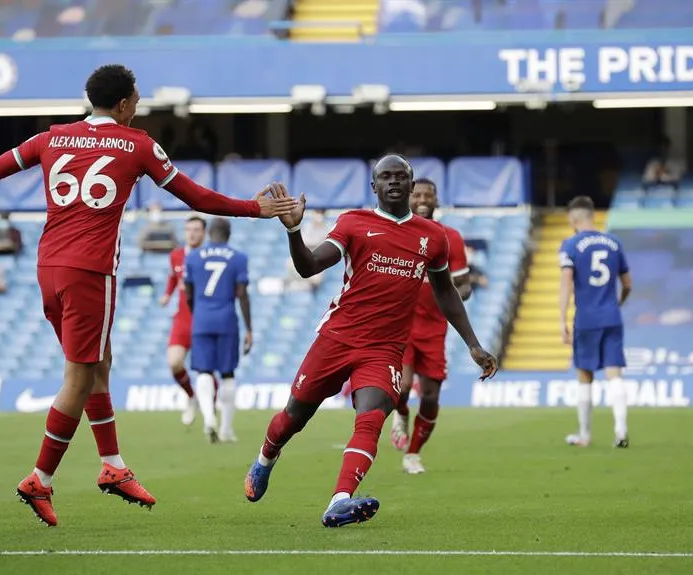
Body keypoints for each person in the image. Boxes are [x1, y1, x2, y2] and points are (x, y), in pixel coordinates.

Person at [0, 64, 295, 527]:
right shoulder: (136, 144)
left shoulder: (50, 139)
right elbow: (195, 198)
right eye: (138, 98)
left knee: (98, 366)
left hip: (49, 268)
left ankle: (112, 465)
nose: (139, 105)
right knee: (79, 377)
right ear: (126, 102)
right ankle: (40, 478)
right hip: (91, 271)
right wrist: (256, 209)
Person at [242, 155, 497, 528]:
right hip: (337, 338)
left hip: (385, 348)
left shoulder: (433, 237)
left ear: (411, 187)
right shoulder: (354, 223)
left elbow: (446, 293)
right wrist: (294, 232)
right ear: (373, 187)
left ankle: (339, 500)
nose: (394, 182)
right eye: (385, 177)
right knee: (294, 417)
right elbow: (309, 266)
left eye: (401, 177)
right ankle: (266, 456)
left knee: (371, 418)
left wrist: (473, 344)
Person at [389, 178, 470, 474]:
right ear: (408, 197)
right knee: (404, 385)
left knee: (432, 395)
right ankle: (400, 413)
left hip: (435, 328)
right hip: (402, 326)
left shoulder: (450, 237)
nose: (423, 199)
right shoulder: (396, 233)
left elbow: (465, 287)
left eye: (429, 194)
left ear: (436, 199)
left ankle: (413, 454)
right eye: (418, 194)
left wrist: (447, 294)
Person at [558, 195, 632, 449]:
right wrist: (618, 303)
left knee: (585, 375)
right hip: (612, 316)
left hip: (587, 319)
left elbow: (566, 282)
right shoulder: (613, 242)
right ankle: (621, 431)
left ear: (574, 218)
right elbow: (627, 283)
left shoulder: (570, 245)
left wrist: (561, 320)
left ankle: (585, 435)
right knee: (615, 374)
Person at [184, 217, 251, 443]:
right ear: (229, 234)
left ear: (209, 233)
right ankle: (225, 428)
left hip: (202, 319)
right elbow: (242, 293)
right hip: (226, 320)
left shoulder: (192, 257)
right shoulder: (239, 258)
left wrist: (198, 315)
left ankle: (209, 418)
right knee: (228, 373)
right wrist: (249, 328)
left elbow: (189, 294)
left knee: (203, 371)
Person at [160, 216, 206, 426]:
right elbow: (173, 277)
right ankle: (191, 397)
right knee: (174, 362)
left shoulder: (208, 256)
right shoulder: (177, 255)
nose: (192, 233)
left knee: (207, 369)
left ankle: (210, 413)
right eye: (188, 229)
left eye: (196, 229)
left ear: (204, 233)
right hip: (182, 319)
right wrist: (167, 294)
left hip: (204, 318)